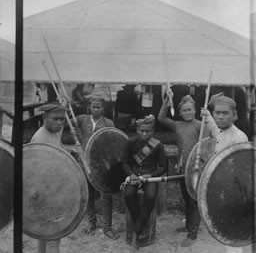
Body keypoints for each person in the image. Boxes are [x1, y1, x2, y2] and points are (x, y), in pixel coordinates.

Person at [158, 93, 208, 247]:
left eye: (189, 110)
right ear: (180, 113)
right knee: (186, 199)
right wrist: (167, 101)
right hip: (181, 168)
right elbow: (161, 118)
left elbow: (207, 147)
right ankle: (188, 226)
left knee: (193, 201)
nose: (187, 112)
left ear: (194, 110)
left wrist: (201, 165)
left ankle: (192, 234)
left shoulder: (201, 125)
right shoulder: (178, 125)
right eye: (184, 110)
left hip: (195, 169)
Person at [200, 95, 249, 253]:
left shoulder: (239, 137)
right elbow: (216, 130)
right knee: (221, 230)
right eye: (217, 113)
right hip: (219, 189)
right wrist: (207, 115)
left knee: (233, 234)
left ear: (234, 115)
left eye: (225, 113)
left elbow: (236, 170)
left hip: (234, 191)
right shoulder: (220, 131)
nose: (220, 116)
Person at [76, 95, 118, 240]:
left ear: (103, 108)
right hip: (85, 163)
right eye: (93, 107)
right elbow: (68, 119)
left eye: (98, 107)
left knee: (106, 197)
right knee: (89, 196)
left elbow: (114, 143)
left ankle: (107, 227)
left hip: (102, 165)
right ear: (89, 107)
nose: (95, 109)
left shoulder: (109, 123)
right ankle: (91, 223)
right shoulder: (82, 119)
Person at [122, 115, 168, 248]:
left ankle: (136, 230)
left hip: (150, 177)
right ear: (137, 130)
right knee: (128, 194)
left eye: (147, 131)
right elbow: (125, 163)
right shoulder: (131, 142)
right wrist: (131, 174)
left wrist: (151, 175)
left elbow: (163, 166)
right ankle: (140, 225)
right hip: (135, 176)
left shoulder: (158, 145)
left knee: (151, 196)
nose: (144, 133)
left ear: (152, 132)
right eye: (141, 130)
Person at [30, 103, 67, 253]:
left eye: (62, 119)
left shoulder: (55, 133)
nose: (59, 123)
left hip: (54, 189)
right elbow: (37, 171)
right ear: (45, 118)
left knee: (45, 234)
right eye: (55, 119)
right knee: (53, 234)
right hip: (46, 192)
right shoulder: (40, 138)